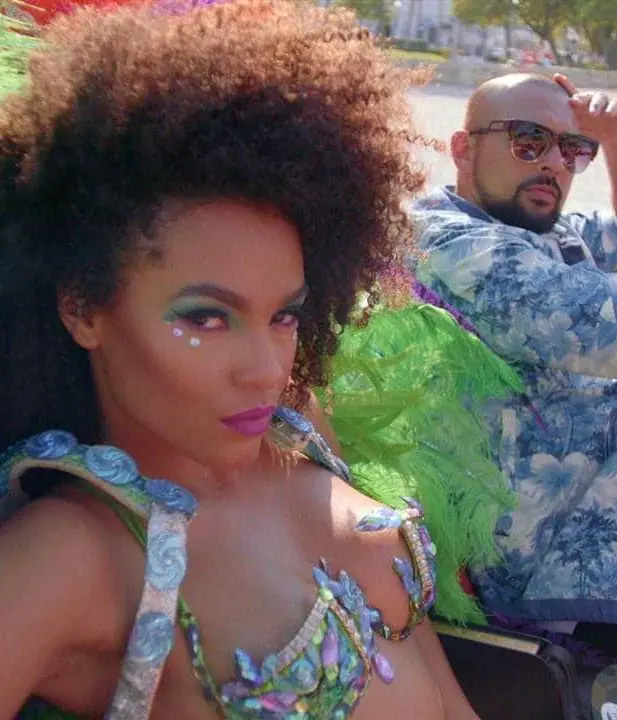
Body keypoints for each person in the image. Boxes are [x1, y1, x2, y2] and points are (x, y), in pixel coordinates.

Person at [0, 2, 495, 717]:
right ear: (83, 308)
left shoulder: (297, 423)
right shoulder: (71, 555)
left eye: (284, 315)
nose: (266, 370)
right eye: (207, 318)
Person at [410, 71, 617, 634]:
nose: (554, 163)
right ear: (462, 148)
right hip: (588, 543)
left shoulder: (540, 230)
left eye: (573, 149)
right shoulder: (456, 250)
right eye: (529, 141)